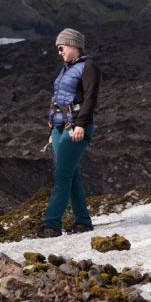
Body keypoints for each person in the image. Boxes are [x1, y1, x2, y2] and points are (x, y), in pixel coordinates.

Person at [35, 28, 100, 237]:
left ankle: (52, 224)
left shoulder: (88, 67)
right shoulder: (66, 68)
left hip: (75, 127)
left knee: (62, 175)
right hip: (59, 126)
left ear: (73, 45)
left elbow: (90, 98)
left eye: (61, 48)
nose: (59, 52)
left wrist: (81, 124)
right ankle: (83, 221)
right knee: (71, 175)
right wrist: (52, 124)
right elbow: (58, 97)